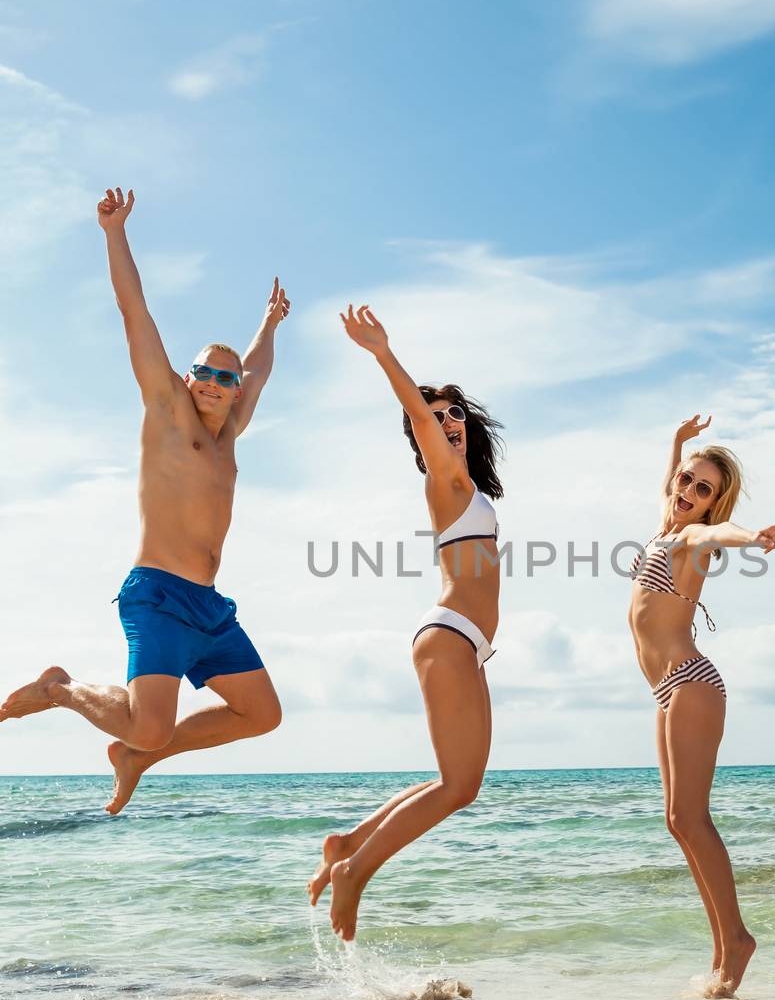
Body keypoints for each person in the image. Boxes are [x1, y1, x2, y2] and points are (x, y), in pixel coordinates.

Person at [0, 187, 288, 813]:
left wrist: (269, 323)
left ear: (235, 393)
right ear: (187, 378)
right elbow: (135, 311)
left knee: (262, 714)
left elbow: (259, 369)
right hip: (157, 593)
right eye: (203, 372)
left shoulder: (229, 435)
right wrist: (114, 232)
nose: (213, 383)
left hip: (208, 607)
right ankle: (61, 688)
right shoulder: (166, 409)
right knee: (148, 719)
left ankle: (139, 757)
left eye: (225, 378)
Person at [308, 304, 504, 942]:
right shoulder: (445, 480)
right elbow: (419, 416)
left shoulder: (472, 490)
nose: (445, 420)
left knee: (460, 783)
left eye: (456, 413)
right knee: (456, 786)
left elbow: (430, 419)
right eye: (434, 417)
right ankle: (357, 871)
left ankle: (349, 842)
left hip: (463, 645)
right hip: (447, 637)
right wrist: (383, 354)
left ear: (470, 429)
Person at [629, 413, 775, 997]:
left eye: (704, 490)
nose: (689, 492)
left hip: (691, 683)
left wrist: (756, 537)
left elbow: (721, 535)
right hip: (665, 690)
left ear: (713, 503)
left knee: (693, 819)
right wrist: (676, 443)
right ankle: (725, 946)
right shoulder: (662, 529)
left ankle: (737, 942)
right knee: (678, 821)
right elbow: (667, 482)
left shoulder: (693, 538)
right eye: (686, 480)